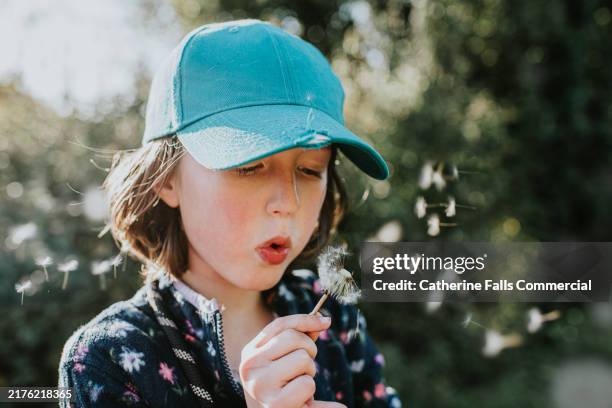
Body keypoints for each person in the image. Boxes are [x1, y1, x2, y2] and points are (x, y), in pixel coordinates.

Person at [58, 19, 402, 408]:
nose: (287, 202)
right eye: (248, 166)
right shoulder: (109, 359)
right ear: (166, 179)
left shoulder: (331, 315)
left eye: (310, 170)